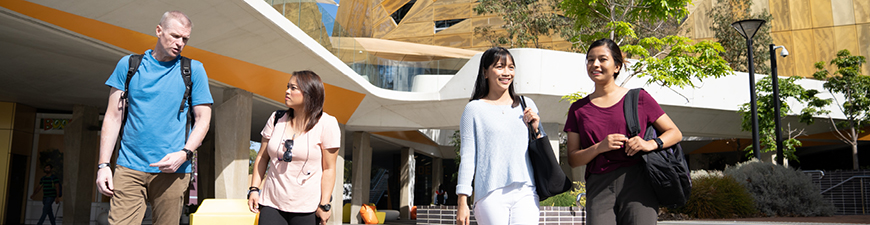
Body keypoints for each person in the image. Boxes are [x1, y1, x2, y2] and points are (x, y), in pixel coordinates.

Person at [95, 11, 213, 225]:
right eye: (175, 36)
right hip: (129, 166)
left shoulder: (193, 70)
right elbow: (113, 117)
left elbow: (203, 120)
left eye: (185, 39)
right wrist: (103, 165)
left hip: (173, 169)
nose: (180, 43)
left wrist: (184, 154)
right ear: (159, 31)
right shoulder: (129, 65)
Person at [564, 38, 682, 225]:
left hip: (638, 181)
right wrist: (600, 147)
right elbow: (573, 159)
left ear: (617, 66)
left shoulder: (639, 98)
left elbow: (674, 132)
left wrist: (649, 144)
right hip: (599, 185)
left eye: (602, 59)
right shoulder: (578, 109)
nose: (595, 64)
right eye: (590, 59)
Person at [456, 47, 545, 225]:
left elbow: (540, 145)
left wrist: (536, 126)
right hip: (490, 193)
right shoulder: (474, 109)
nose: (507, 73)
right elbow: (467, 157)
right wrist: (462, 200)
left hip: (526, 191)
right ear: (485, 72)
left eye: (511, 67)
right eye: (500, 67)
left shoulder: (526, 105)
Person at [247, 70, 341, 225]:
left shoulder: (327, 124)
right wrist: (254, 189)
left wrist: (324, 204)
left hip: (307, 207)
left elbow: (329, 169)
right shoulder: (276, 119)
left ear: (310, 93)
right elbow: (262, 157)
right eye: (287, 87)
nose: (287, 91)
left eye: (293, 88)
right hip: (272, 203)